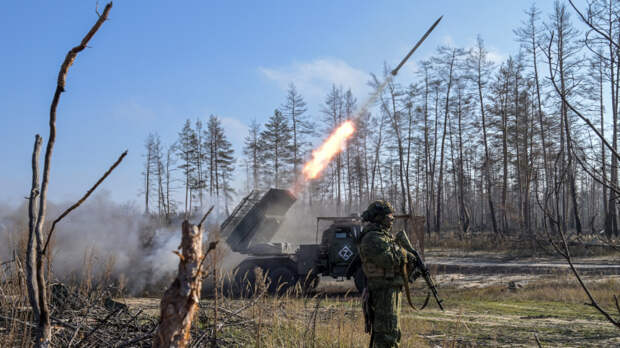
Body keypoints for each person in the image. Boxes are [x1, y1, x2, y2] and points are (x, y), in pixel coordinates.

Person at [358, 200, 407, 348]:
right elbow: (389, 260)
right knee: (386, 335)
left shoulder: (383, 236)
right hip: (383, 292)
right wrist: (403, 252)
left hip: (389, 290)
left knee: (392, 333)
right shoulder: (373, 238)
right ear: (379, 218)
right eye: (389, 217)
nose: (391, 220)